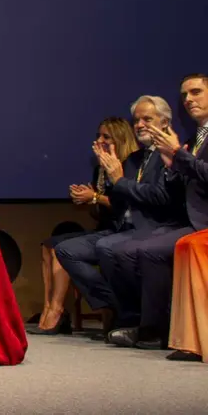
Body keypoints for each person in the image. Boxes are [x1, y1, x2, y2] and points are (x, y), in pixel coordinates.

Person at [55, 96, 187, 342]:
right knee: (65, 249)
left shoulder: (168, 155)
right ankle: (117, 307)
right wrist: (102, 188)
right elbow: (119, 203)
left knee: (110, 247)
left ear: (165, 122)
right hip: (121, 227)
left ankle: (135, 320)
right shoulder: (134, 159)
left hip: (154, 227)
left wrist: (117, 181)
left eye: (147, 119)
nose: (139, 124)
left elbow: (159, 197)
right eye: (136, 120)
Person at [123, 73, 208, 352]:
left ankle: (154, 331)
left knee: (150, 250)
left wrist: (178, 156)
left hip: (202, 220)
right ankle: (158, 328)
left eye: (195, 92)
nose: (188, 100)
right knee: (146, 247)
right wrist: (172, 165)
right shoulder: (197, 136)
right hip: (190, 218)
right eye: (184, 95)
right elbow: (184, 182)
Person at [29, 117, 137, 335]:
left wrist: (95, 197)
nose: (100, 140)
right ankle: (51, 308)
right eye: (99, 135)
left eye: (106, 136)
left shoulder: (130, 165)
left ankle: (68, 309)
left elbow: (127, 205)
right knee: (49, 245)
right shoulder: (100, 169)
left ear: (120, 138)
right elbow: (101, 211)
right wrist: (86, 198)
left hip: (125, 231)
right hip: (106, 229)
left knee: (64, 250)